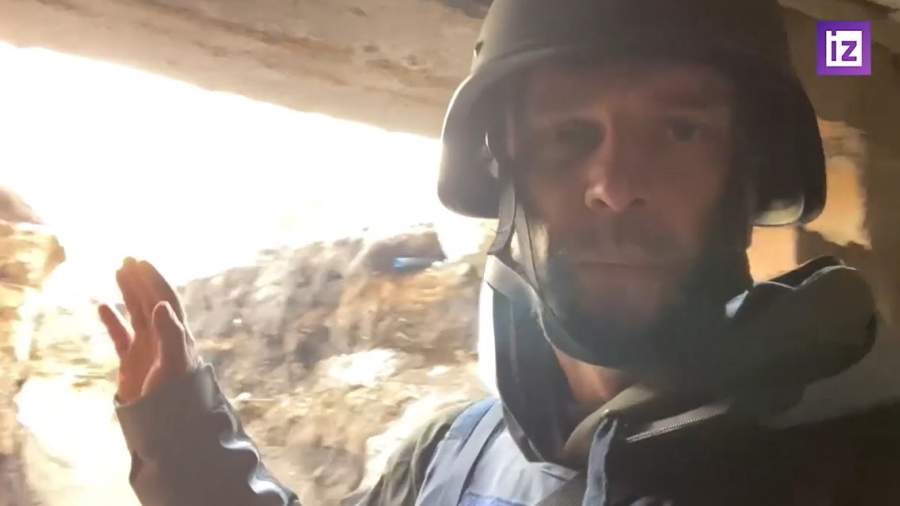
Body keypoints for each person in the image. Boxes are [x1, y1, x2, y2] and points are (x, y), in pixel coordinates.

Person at [99, 0, 900, 504]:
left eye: (680, 130)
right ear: (502, 185)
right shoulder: (450, 458)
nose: (617, 185)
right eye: (568, 135)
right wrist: (185, 447)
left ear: (749, 178)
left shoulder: (864, 462)